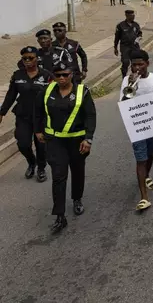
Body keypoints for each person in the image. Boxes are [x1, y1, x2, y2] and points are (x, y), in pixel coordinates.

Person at [34, 58, 96, 234]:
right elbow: (37, 112)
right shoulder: (46, 91)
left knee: (77, 171)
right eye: (58, 75)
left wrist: (88, 139)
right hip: (55, 142)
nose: (61, 78)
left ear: (71, 75)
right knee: (58, 176)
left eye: (65, 75)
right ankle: (59, 216)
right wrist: (38, 131)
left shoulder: (82, 92)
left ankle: (77, 199)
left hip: (77, 141)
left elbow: (90, 116)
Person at [120, 49, 153, 211]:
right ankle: (144, 197)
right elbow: (124, 103)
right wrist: (131, 84)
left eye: (141, 64)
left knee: (151, 153)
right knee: (141, 159)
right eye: (134, 65)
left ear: (147, 63)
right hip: (137, 126)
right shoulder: (127, 80)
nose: (137, 68)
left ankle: (146, 175)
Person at [1, 47, 53, 182]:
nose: (28, 61)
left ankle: (41, 168)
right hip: (23, 115)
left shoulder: (47, 75)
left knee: (41, 146)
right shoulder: (18, 75)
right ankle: (31, 162)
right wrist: (2, 112)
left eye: (31, 58)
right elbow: (11, 95)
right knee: (23, 144)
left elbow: (54, 96)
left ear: (37, 58)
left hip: (41, 117)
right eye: (25, 58)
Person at [114, 9, 142, 79]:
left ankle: (134, 75)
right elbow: (117, 37)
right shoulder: (120, 25)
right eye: (131, 15)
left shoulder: (136, 25)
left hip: (135, 46)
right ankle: (124, 76)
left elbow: (140, 33)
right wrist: (115, 48)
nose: (133, 17)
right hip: (125, 46)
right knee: (125, 62)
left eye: (133, 15)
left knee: (135, 62)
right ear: (127, 16)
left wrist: (139, 37)